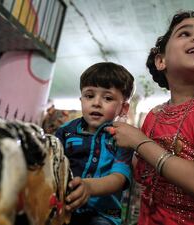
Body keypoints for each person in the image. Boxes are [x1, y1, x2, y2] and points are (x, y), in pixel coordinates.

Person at [107, 8, 194, 225]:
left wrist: (137, 140)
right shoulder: (154, 116)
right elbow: (143, 175)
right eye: (185, 33)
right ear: (161, 61)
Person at [55, 62, 135, 225]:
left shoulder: (124, 138)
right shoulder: (65, 131)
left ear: (123, 108)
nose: (96, 103)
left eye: (108, 98)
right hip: (63, 205)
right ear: (81, 99)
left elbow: (119, 178)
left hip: (105, 213)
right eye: (89, 96)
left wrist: (89, 187)